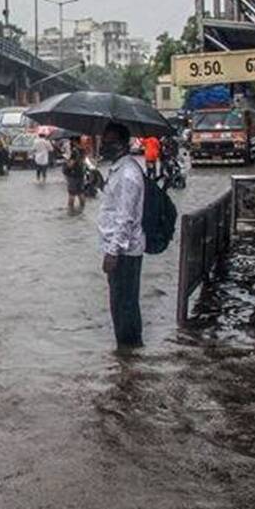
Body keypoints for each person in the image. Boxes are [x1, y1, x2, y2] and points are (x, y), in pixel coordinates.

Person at [96, 122, 145, 350]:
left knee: (124, 305)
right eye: (104, 141)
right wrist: (101, 185)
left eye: (110, 142)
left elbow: (126, 218)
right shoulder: (118, 170)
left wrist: (113, 252)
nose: (105, 146)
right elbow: (114, 205)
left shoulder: (128, 174)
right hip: (117, 248)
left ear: (123, 144)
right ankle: (128, 356)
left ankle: (129, 350)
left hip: (125, 252)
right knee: (119, 303)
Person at [62, 143, 87, 213]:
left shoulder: (74, 153)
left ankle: (71, 209)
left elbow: (70, 165)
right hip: (80, 175)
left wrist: (66, 162)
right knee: (81, 193)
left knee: (72, 194)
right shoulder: (82, 153)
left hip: (73, 176)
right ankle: (82, 207)